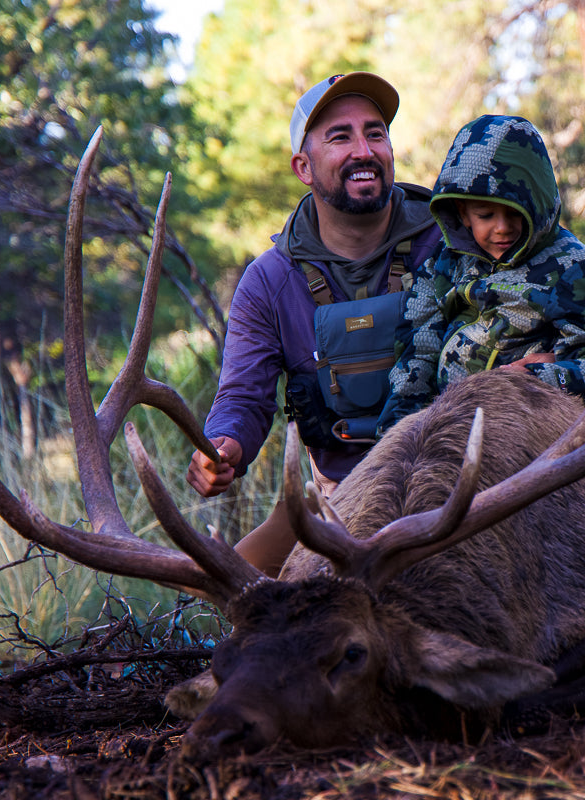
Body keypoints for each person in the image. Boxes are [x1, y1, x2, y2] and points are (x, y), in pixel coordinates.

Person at [186, 72, 439, 575]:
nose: (364, 150)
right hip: (338, 502)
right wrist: (223, 447)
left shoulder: (452, 242)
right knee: (225, 588)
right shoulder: (269, 281)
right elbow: (243, 397)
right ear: (303, 167)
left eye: (375, 133)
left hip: (448, 489)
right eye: (340, 137)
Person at [376, 114, 585, 434]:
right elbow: (418, 353)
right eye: (486, 215)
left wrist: (532, 380)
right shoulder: (443, 263)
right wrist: (398, 434)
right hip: (448, 429)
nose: (502, 228)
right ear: (463, 213)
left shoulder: (578, 269)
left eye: (514, 213)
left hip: (534, 429)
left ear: (538, 207)